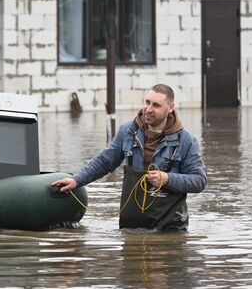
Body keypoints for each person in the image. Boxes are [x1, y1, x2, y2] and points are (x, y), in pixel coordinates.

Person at [51, 84, 206, 231]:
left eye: (156, 105)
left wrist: (167, 179)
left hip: (170, 229)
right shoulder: (127, 131)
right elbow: (104, 162)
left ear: (171, 108)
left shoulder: (187, 141)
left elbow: (199, 181)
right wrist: (76, 180)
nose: (148, 109)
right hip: (131, 226)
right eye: (147, 102)